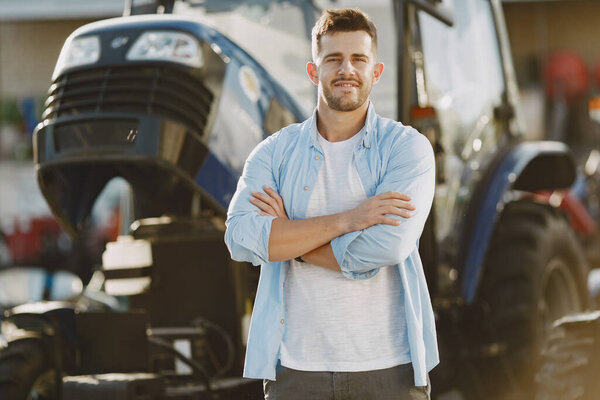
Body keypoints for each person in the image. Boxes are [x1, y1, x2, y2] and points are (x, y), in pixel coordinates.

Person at [225, 8, 438, 399]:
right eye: (333, 59)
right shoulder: (273, 154)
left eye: (359, 59)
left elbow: (388, 246)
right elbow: (240, 238)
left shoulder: (406, 148)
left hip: (388, 369)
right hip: (296, 372)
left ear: (376, 71)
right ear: (313, 71)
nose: (347, 69)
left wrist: (292, 243)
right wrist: (349, 219)